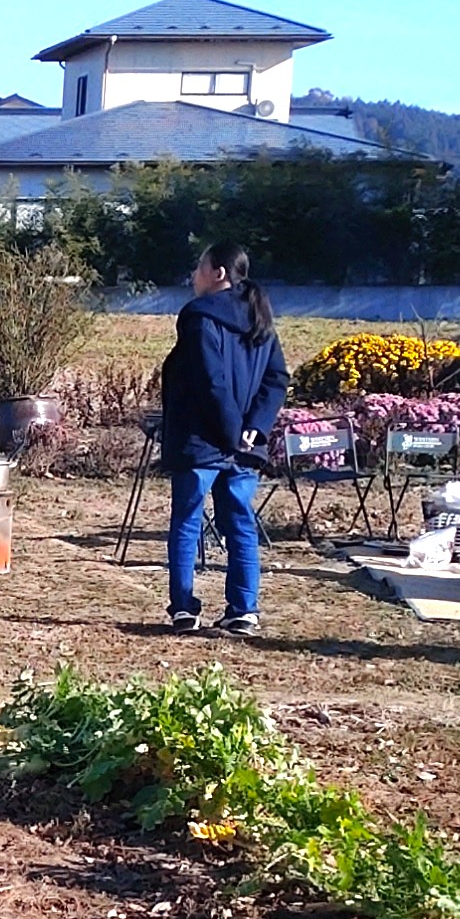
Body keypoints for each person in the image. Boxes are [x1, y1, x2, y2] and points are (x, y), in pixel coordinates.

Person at [155, 241, 287, 637]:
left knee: (187, 522)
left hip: (204, 441)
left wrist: (231, 433)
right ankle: (243, 611)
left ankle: (183, 609)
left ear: (219, 273)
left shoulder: (200, 317)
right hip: (243, 444)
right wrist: (253, 428)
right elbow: (277, 378)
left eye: (200, 266)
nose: (193, 275)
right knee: (241, 524)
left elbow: (210, 381)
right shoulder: (259, 314)